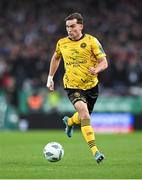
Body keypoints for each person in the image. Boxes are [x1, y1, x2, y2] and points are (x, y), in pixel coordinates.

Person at [46, 13, 108, 163]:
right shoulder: (62, 43)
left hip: (91, 86)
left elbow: (104, 62)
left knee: (82, 117)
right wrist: (50, 77)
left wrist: (97, 69)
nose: (69, 29)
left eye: (72, 26)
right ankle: (95, 152)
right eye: (67, 27)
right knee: (85, 116)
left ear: (81, 26)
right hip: (72, 86)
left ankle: (70, 122)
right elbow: (56, 57)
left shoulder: (91, 41)